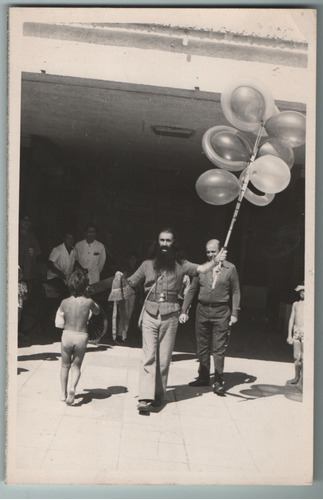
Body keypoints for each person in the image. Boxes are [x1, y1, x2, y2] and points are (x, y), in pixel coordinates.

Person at [115, 228, 227, 414]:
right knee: (148, 356)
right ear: (157, 242)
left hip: (171, 315)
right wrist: (120, 278)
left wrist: (215, 260)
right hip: (150, 314)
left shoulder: (181, 265)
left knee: (164, 359)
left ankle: (159, 395)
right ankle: (144, 398)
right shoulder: (146, 264)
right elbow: (130, 283)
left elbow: (200, 269)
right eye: (162, 240)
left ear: (173, 243)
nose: (165, 244)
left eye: (168, 241)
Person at [179, 239, 240, 395]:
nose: (210, 254)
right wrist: (184, 310)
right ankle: (203, 377)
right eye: (208, 251)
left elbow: (235, 292)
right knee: (202, 346)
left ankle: (219, 381)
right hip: (202, 311)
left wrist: (234, 313)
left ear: (221, 251)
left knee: (219, 348)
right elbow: (192, 290)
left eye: (213, 251)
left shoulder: (230, 268)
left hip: (221, 313)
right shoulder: (203, 268)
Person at [55, 270, 100, 405]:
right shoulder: (89, 302)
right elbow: (97, 311)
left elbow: (59, 322)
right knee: (76, 366)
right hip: (82, 336)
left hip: (67, 334)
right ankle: (72, 387)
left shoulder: (64, 302)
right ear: (85, 286)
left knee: (64, 366)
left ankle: (63, 393)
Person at [47, 232, 77, 298]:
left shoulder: (74, 251)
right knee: (65, 292)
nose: (70, 240)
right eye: (68, 238)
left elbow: (75, 263)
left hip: (66, 278)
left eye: (72, 238)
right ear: (64, 239)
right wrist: (59, 273)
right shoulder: (57, 250)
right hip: (54, 277)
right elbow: (49, 264)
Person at [286, 284, 304, 388]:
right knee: (296, 356)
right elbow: (291, 319)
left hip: (306, 331)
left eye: (305, 290)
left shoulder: (311, 303)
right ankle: (296, 376)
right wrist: (289, 335)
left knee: (304, 357)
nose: (302, 293)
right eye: (301, 291)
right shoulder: (296, 304)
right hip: (297, 330)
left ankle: (302, 379)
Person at [18, 214, 41, 293]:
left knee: (25, 297)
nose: (27, 223)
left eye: (29, 221)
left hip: (28, 275)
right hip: (15, 274)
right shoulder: (14, 235)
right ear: (20, 221)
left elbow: (36, 256)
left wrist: (34, 272)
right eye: (25, 220)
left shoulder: (32, 238)